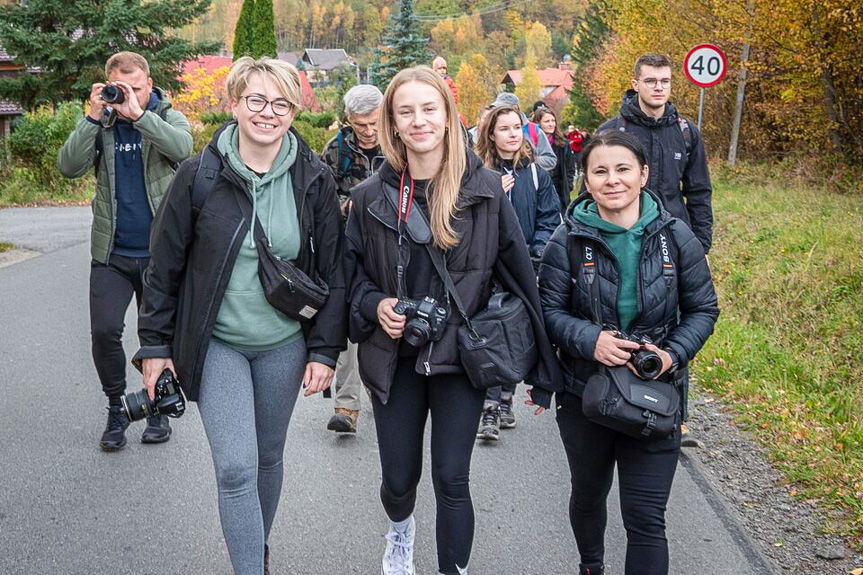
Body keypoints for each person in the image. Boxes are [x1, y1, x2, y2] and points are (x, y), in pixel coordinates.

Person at [343, 65, 560, 575]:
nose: (418, 121)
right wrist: (376, 306)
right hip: (394, 355)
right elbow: (348, 280)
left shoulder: (483, 191)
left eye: (428, 109)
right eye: (406, 112)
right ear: (392, 124)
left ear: (447, 116)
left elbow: (521, 277)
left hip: (460, 355)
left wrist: (546, 368)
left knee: (451, 478)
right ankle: (400, 530)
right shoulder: (369, 198)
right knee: (399, 480)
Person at [133, 57, 345, 574]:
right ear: (234, 103)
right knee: (235, 467)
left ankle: (255, 549)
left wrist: (324, 349)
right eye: (256, 99)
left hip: (284, 343)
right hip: (217, 342)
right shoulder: (198, 176)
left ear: (293, 112)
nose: (267, 112)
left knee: (268, 458)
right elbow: (163, 267)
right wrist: (155, 346)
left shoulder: (314, 178)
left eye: (280, 103)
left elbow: (334, 271)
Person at [538, 130, 719, 575]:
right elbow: (548, 312)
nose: (612, 179)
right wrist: (590, 340)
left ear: (643, 175)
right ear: (586, 179)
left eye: (622, 169)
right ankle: (591, 565)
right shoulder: (567, 239)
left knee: (645, 519)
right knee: (588, 495)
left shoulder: (677, 237)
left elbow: (703, 309)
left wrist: (671, 355)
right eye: (600, 171)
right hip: (587, 396)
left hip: (656, 396)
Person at [57, 51, 193, 451]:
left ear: (149, 84)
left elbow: (184, 150)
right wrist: (93, 115)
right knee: (104, 332)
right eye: (121, 88)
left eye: (136, 88)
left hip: (159, 256)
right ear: (108, 84)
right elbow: (68, 167)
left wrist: (140, 115)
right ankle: (116, 406)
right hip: (112, 253)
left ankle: (157, 406)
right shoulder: (103, 123)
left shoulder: (167, 116)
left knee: (159, 337)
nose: (128, 95)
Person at [596, 52, 714, 443]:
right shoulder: (614, 129)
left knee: (677, 325)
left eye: (664, 81)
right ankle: (617, 403)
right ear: (635, 83)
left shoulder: (685, 132)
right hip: (622, 242)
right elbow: (594, 187)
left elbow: (698, 191)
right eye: (650, 81)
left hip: (676, 244)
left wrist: (700, 243)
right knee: (623, 321)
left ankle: (674, 418)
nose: (658, 87)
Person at [473, 104, 561, 440]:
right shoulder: (479, 170)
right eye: (505, 129)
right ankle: (489, 407)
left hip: (523, 265)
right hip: (486, 264)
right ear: (491, 135)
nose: (512, 135)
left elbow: (550, 217)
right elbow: (463, 214)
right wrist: (494, 192)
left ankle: (505, 400)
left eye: (517, 128)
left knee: (514, 331)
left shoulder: (535, 172)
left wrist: (536, 252)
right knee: (490, 331)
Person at [321, 83, 385, 433]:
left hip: (392, 249)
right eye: (362, 124)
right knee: (348, 324)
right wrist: (352, 206)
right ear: (349, 120)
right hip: (348, 247)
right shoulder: (336, 150)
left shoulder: (397, 145)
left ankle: (383, 390)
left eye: (374, 122)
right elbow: (320, 200)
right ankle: (346, 406)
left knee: (386, 319)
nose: (369, 131)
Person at [490, 92, 557, 171]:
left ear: (515, 109)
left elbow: (550, 160)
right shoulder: (492, 129)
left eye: (502, 110)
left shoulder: (533, 130)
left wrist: (526, 161)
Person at [532, 106, 576, 213]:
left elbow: (570, 168)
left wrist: (568, 186)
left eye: (553, 121)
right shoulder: (530, 145)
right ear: (538, 123)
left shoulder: (563, 144)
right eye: (547, 121)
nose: (551, 124)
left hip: (558, 191)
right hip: (537, 191)